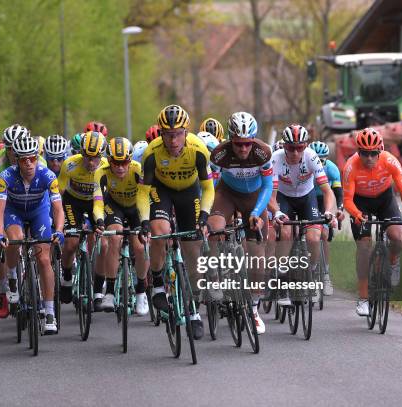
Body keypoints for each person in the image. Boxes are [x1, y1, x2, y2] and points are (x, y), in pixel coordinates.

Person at [137, 104, 214, 340]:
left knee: (193, 252)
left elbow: (208, 188)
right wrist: (144, 221)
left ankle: (193, 312)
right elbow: (143, 193)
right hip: (162, 191)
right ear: (161, 133)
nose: (173, 140)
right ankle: (158, 283)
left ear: (186, 132)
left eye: (178, 134)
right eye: (168, 135)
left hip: (190, 193)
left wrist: (205, 215)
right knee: (160, 231)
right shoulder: (152, 153)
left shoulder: (199, 150)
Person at [342, 128, 402, 316]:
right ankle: (363, 298)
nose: (369, 158)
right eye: (364, 153)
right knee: (364, 247)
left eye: (373, 153)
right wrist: (356, 214)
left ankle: (393, 262)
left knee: (397, 235)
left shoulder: (390, 161)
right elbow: (347, 201)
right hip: (360, 204)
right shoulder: (350, 166)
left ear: (380, 150)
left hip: (385, 200)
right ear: (358, 152)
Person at [207, 112, 273, 334]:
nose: (243, 149)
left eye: (247, 144)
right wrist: (205, 212)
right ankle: (216, 277)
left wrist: (256, 212)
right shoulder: (219, 154)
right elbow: (210, 187)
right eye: (238, 144)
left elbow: (267, 187)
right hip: (226, 194)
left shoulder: (263, 152)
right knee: (214, 228)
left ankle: (253, 309)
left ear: (253, 140)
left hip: (254, 197)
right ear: (230, 139)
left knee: (258, 253)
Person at [0, 135, 64, 333]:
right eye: (24, 159)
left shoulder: (48, 175)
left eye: (32, 158)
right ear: (16, 160)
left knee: (43, 259)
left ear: (37, 157)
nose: (29, 163)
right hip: (13, 212)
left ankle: (49, 311)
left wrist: (58, 230)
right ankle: (13, 277)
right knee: (14, 241)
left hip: (38, 212)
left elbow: (58, 209)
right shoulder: (6, 176)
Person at [269, 124, 337, 307]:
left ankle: (312, 272)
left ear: (306, 146)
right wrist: (276, 212)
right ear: (284, 146)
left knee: (314, 237)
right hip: (284, 198)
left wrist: (330, 211)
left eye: (300, 147)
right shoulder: (275, 159)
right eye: (291, 148)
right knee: (285, 233)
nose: (295, 152)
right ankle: (282, 281)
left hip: (307, 198)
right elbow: (271, 195)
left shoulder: (311, 157)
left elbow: (327, 191)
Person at [92, 137, 149, 315]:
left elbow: (144, 198)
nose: (120, 167)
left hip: (135, 207)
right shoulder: (101, 172)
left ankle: (141, 291)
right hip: (114, 206)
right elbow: (98, 202)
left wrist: (145, 222)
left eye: (124, 162)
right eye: (115, 163)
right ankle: (109, 291)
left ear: (130, 160)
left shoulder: (138, 170)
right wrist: (99, 220)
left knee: (140, 247)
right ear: (109, 160)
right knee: (114, 237)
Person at [58, 131, 108, 303]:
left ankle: (98, 289)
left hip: (96, 202)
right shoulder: (69, 164)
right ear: (81, 153)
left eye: (96, 157)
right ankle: (66, 277)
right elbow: (60, 192)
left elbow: (106, 197)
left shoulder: (106, 167)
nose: (91, 162)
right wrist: (58, 218)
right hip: (73, 202)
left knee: (103, 244)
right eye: (87, 157)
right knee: (71, 243)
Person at [0, 124, 29, 317]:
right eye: (8, 147)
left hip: (31, 203)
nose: (12, 152)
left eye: (15, 147)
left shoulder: (36, 160)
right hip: (7, 203)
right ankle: (4, 288)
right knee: (0, 239)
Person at [308, 140, 345, 295]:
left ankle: (325, 275)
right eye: (316, 159)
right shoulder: (306, 166)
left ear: (326, 159)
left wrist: (340, 209)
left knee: (324, 235)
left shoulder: (331, 169)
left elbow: (337, 192)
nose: (319, 163)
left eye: (321, 160)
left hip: (324, 200)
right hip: (310, 199)